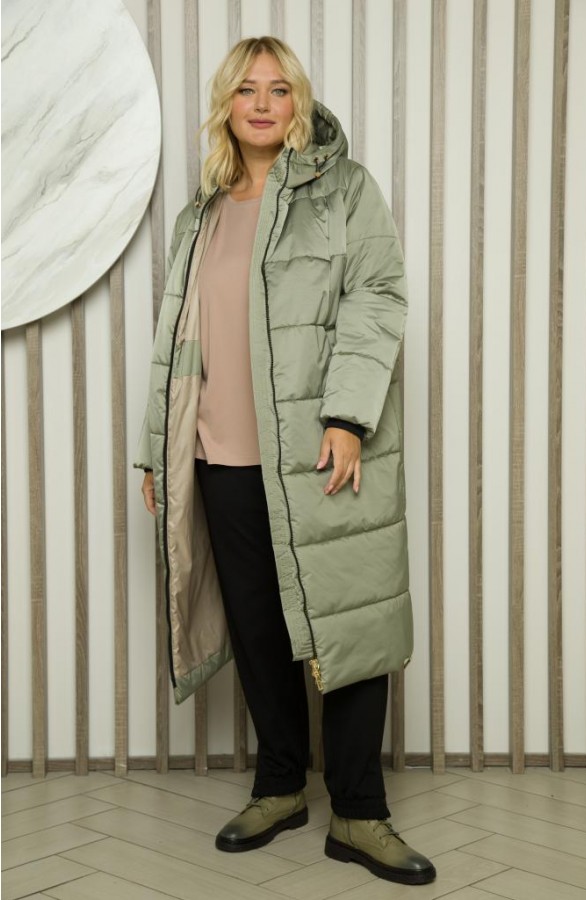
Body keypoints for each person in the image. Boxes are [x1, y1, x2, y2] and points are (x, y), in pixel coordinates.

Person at [135, 35, 436, 887]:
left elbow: (378, 295)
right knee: (259, 628)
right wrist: (157, 450)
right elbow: (176, 345)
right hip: (221, 457)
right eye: (246, 89)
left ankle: (360, 811)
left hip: (320, 455)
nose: (262, 103)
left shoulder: (343, 190)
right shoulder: (200, 215)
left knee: (350, 623)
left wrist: (348, 417)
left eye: (277, 88)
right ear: (226, 105)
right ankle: (279, 786)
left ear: (297, 99)